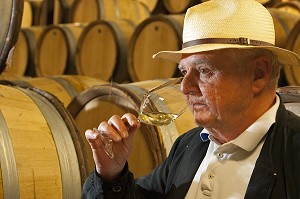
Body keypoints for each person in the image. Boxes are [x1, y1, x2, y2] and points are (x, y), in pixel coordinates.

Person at [82, 0, 300, 198]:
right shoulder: (189, 145)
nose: (185, 87)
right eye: (184, 72)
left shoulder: (293, 153)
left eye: (204, 70)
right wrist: (111, 176)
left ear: (258, 74)